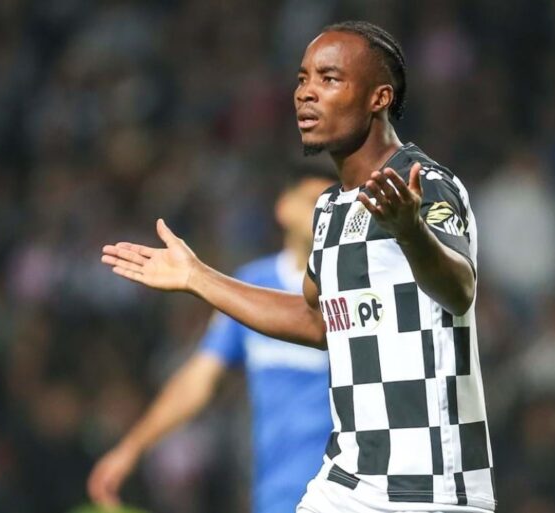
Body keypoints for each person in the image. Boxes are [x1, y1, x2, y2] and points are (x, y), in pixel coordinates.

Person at [101, 20, 496, 513]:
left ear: (379, 98)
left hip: (426, 488)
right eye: (303, 78)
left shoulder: (425, 183)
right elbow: (316, 320)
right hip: (347, 482)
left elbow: (460, 289)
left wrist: (411, 231)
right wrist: (197, 277)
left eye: (329, 79)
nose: (306, 93)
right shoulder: (330, 209)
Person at [88, 171, 336, 513]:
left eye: (331, 206)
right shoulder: (251, 286)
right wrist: (131, 447)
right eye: (312, 203)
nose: (322, 215)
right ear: (283, 207)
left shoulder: (349, 287)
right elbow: (197, 380)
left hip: (348, 490)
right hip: (276, 493)